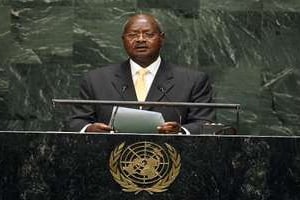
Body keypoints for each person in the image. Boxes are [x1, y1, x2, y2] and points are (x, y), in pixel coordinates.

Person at [69, 13, 215, 134]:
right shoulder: (95, 80)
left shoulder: (193, 80)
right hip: (109, 158)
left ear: (161, 39)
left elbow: (204, 123)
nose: (140, 39)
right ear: (123, 40)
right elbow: (77, 121)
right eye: (133, 35)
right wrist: (88, 129)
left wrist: (180, 131)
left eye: (148, 34)